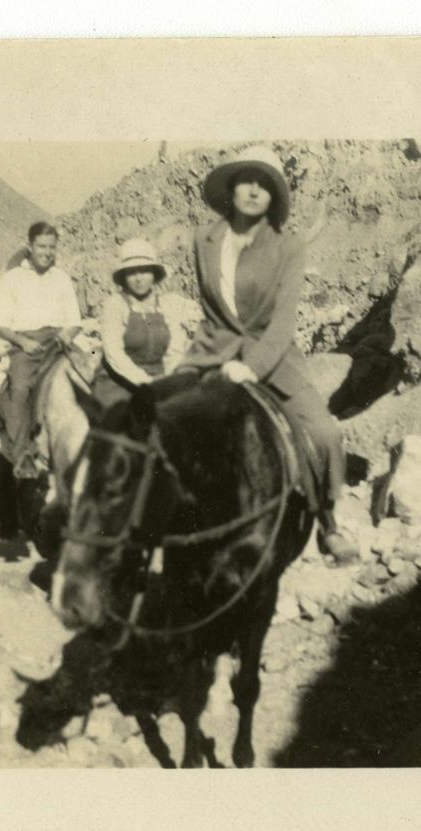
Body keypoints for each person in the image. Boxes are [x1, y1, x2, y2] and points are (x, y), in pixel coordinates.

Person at [175, 146, 359, 564]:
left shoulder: (288, 247)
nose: (255, 190)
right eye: (247, 179)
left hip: (272, 357)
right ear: (232, 186)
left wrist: (251, 367)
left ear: (274, 196)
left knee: (324, 434)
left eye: (265, 184)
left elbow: (282, 322)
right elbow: (209, 312)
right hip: (213, 349)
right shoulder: (204, 241)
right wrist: (199, 363)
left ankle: (329, 522)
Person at [0, 221, 83, 478]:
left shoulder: (62, 278)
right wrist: (23, 342)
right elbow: (0, 325)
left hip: (58, 341)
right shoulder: (12, 279)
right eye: (42, 246)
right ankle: (23, 457)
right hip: (27, 345)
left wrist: (67, 334)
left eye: (52, 247)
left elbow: (74, 320)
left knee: (91, 376)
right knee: (20, 389)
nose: (47, 252)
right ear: (29, 246)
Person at [91, 238, 198, 410]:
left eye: (144, 271)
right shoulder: (115, 304)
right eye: (132, 272)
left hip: (159, 379)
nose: (138, 278)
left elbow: (175, 349)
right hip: (120, 382)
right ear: (124, 277)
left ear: (154, 274)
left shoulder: (166, 305)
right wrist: (146, 382)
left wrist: (167, 381)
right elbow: (114, 353)